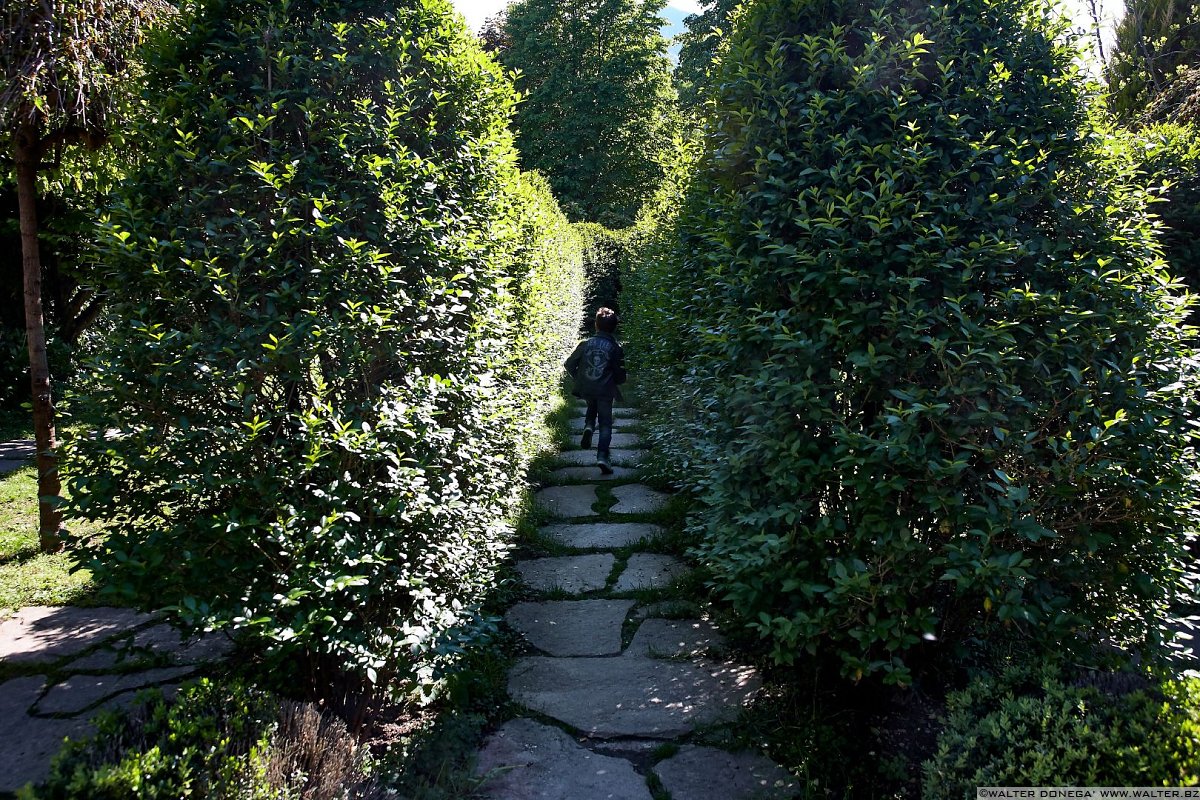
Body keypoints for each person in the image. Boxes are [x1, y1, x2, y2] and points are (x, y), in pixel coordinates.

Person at [564, 307, 627, 474]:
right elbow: (619, 373)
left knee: (592, 402)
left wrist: (579, 377)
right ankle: (602, 457)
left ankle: (589, 426)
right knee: (606, 423)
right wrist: (619, 380)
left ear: (596, 325)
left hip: (587, 385)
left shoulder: (585, 344)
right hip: (605, 389)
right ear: (614, 327)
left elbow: (569, 364)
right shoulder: (615, 348)